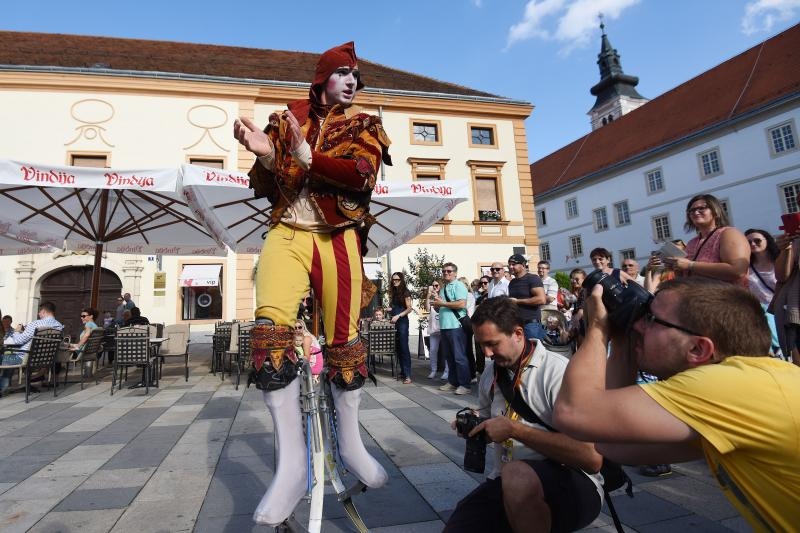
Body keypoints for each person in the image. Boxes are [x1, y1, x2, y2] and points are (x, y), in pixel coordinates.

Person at [232, 41, 391, 526]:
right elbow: (271, 183)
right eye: (342, 74)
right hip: (288, 231)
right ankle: (292, 468)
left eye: (355, 77)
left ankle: (350, 443)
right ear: (322, 77)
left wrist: (307, 155)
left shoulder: (365, 125)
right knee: (270, 335)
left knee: (343, 341)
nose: (351, 82)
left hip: (338, 236)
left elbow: (361, 175)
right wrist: (264, 154)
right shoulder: (286, 119)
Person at [553, 278, 800, 531]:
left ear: (697, 348)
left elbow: (573, 412)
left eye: (651, 319)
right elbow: (614, 444)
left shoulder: (731, 387)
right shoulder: (748, 388)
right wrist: (623, 341)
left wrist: (597, 328)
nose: (638, 325)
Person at [444, 296, 603, 533]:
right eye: (481, 345)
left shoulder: (558, 373)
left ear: (518, 334)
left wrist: (515, 429)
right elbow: (491, 417)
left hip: (573, 481)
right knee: (460, 525)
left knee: (518, 477)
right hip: (508, 479)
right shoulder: (492, 372)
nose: (487, 353)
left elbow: (591, 458)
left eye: (493, 344)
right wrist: (478, 425)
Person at [663, 194, 749, 287]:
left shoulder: (729, 234)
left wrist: (690, 265)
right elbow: (685, 277)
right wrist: (676, 268)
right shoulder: (692, 243)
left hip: (726, 298)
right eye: (691, 210)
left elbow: (737, 271)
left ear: (715, 211)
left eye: (702, 208)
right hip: (695, 298)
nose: (696, 212)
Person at [1, 301, 64, 394]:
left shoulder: (35, 324)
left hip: (25, 358)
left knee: (7, 358)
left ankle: (2, 387)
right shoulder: (59, 326)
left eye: (39, 312)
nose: (39, 314)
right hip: (44, 359)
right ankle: (4, 386)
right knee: (8, 359)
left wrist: (17, 331)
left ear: (43, 312)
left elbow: (19, 341)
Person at [433, 262, 471, 395]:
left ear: (455, 273)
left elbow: (461, 304)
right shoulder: (443, 288)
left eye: (449, 271)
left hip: (456, 326)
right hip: (445, 326)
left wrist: (442, 303)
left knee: (459, 357)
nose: (446, 273)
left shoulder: (459, 285)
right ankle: (453, 381)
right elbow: (441, 307)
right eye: (443, 271)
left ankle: (465, 384)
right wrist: (437, 304)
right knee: (449, 357)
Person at [506, 254, 546, 341]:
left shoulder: (533, 278)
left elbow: (541, 299)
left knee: (534, 353)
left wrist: (517, 301)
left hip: (531, 325)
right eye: (509, 264)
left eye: (513, 264)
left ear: (523, 265)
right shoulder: (512, 282)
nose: (510, 267)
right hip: (516, 325)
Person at [389, 271, 413, 384]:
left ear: (401, 280)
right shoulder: (394, 292)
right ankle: (403, 372)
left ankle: (408, 375)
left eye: (397, 280)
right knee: (398, 347)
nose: (395, 281)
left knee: (404, 347)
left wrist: (398, 315)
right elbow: (397, 306)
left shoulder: (405, 292)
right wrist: (390, 310)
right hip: (396, 321)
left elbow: (409, 309)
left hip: (402, 321)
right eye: (393, 279)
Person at [426, 280, 448, 380]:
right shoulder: (431, 296)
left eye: (436, 285)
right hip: (434, 327)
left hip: (443, 326)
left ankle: (447, 371)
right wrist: (428, 295)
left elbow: (442, 306)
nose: (434, 287)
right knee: (433, 350)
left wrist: (437, 297)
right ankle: (433, 370)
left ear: (440, 286)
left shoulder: (444, 294)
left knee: (446, 350)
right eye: (433, 285)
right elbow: (427, 308)